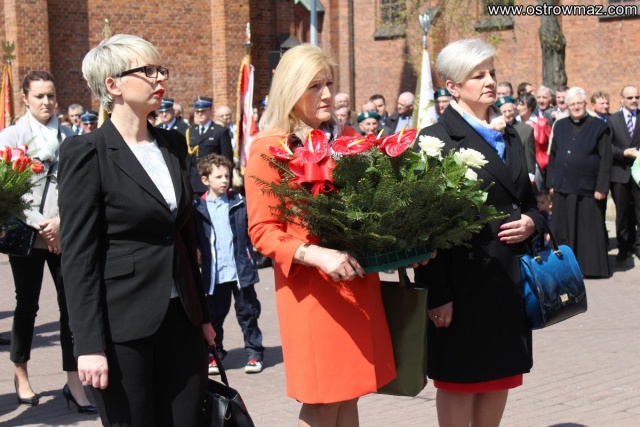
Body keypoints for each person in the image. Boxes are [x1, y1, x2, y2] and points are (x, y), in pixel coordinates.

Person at [58, 34, 215, 426]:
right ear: (113, 85)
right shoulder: (87, 152)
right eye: (148, 71)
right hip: (122, 325)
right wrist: (89, 344)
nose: (160, 78)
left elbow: (185, 236)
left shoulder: (173, 144)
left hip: (182, 317)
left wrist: (203, 315)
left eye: (161, 70)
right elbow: (79, 257)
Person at [244, 43, 400, 427]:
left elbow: (374, 206)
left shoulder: (349, 138)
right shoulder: (269, 149)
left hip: (356, 280)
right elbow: (263, 231)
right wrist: (315, 254)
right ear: (290, 91)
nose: (327, 94)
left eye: (329, 83)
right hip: (313, 291)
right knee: (323, 400)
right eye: (315, 86)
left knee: (350, 393)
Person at [413, 38, 544, 427]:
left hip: (507, 282)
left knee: (499, 377)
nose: (490, 82)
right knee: (459, 381)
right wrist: (438, 294)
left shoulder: (510, 136)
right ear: (452, 86)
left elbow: (530, 201)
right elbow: (423, 227)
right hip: (460, 288)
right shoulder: (434, 140)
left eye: (492, 73)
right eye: (478, 75)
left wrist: (533, 222)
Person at [0, 71, 94, 412]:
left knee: (72, 307)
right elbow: (7, 190)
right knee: (27, 304)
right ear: (25, 98)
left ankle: (74, 382)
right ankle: (21, 373)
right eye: (39, 96)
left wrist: (61, 223)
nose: (46, 102)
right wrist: (42, 225)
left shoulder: (71, 137)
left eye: (51, 95)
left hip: (63, 233)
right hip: (28, 233)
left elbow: (81, 188)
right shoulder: (11, 136)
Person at [193, 154, 264, 375]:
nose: (224, 180)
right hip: (214, 275)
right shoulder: (197, 207)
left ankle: (254, 353)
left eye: (227, 176)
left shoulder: (239, 201)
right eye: (218, 177)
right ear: (205, 180)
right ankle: (215, 354)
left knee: (248, 313)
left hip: (241, 271)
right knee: (213, 318)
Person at [546, 87, 612, 278]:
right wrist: (551, 183)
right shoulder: (560, 125)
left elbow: (606, 159)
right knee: (563, 229)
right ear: (567, 106)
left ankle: (589, 268)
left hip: (588, 188)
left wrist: (602, 187)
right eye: (572, 104)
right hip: (562, 186)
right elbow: (553, 155)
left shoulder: (599, 127)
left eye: (579, 103)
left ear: (585, 104)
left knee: (587, 231)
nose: (576, 107)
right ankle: (563, 268)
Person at [608, 85, 640, 261]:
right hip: (620, 173)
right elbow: (608, 147)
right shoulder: (613, 120)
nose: (634, 100)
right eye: (630, 98)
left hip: (639, 173)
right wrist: (623, 153)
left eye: (637, 97)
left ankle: (639, 246)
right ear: (622, 100)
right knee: (622, 213)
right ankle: (623, 246)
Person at [187, 96, 234, 195]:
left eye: (203, 111)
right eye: (197, 111)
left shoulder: (220, 131)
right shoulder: (191, 131)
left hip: (213, 181)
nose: (200, 113)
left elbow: (227, 160)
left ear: (210, 111)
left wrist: (227, 184)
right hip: (193, 182)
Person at [496, 95, 535, 181]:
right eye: (503, 111)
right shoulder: (493, 129)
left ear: (515, 110)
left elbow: (529, 156)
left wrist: (531, 176)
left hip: (519, 176)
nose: (507, 114)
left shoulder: (526, 130)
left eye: (510, 111)